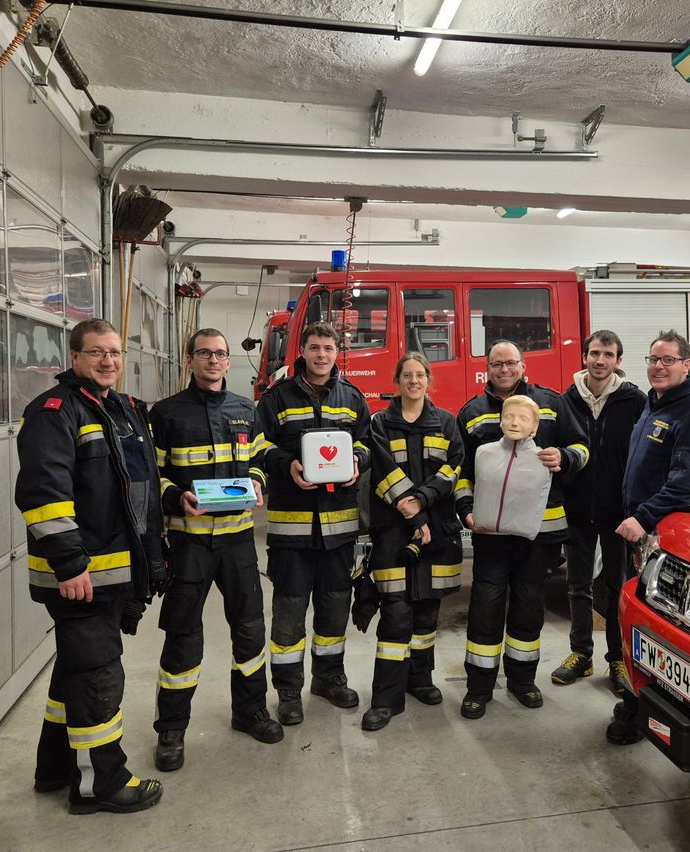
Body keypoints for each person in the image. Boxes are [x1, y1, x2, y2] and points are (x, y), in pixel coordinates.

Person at [15, 318, 165, 814]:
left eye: (116, 353)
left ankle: (54, 768)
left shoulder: (119, 408)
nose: (108, 361)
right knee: (99, 674)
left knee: (76, 670)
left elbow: (137, 488)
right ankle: (98, 783)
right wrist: (70, 564)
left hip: (111, 571)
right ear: (74, 357)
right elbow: (43, 495)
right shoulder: (54, 412)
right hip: (80, 576)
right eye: (97, 352)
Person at [151, 328, 283, 774]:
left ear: (229, 362)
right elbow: (154, 474)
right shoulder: (166, 414)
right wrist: (175, 497)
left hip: (238, 540)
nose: (213, 360)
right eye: (204, 353)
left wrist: (260, 483)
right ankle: (171, 728)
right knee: (183, 634)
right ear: (190, 360)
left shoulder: (246, 410)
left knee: (249, 629)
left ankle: (249, 711)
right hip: (188, 542)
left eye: (220, 354)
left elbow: (262, 461)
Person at [455, 340, 589, 719]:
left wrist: (564, 457)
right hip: (491, 534)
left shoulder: (552, 403)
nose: (504, 369)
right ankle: (478, 688)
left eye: (510, 363)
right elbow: (461, 472)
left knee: (529, 606)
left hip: (540, 534)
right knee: (486, 606)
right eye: (497, 364)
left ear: (522, 364)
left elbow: (583, 445)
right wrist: (466, 509)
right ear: (488, 368)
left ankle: (522, 681)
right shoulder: (473, 413)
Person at [607, 329, 690, 744]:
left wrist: (643, 515)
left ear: (687, 364)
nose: (659, 366)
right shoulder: (654, 405)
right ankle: (640, 704)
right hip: (641, 535)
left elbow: (686, 485)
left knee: (660, 630)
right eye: (654, 359)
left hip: (663, 538)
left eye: (669, 360)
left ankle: (646, 711)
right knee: (639, 623)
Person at [258, 321, 371, 725]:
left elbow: (365, 440)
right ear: (301, 351)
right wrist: (286, 464)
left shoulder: (353, 397)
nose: (322, 355)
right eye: (314, 347)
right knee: (289, 609)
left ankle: (328, 677)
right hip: (291, 526)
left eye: (328, 348)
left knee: (335, 605)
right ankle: (288, 688)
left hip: (339, 527)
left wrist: (357, 460)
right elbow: (259, 445)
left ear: (337, 352)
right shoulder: (276, 399)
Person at [360, 353, 464, 731]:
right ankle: (386, 699)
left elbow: (453, 470)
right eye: (407, 375)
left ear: (428, 380)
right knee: (396, 612)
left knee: (426, 612)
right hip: (393, 531)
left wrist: (422, 502)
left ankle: (419, 680)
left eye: (420, 375)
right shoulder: (379, 423)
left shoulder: (447, 423)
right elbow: (383, 471)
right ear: (397, 380)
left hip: (436, 532)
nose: (414, 381)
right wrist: (415, 513)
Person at [551, 331, 646, 695]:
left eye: (608, 354)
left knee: (617, 587)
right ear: (585, 356)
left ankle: (618, 659)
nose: (600, 360)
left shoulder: (634, 401)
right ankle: (581, 654)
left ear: (618, 361)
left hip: (618, 513)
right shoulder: (567, 400)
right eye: (594, 353)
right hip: (576, 509)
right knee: (577, 586)